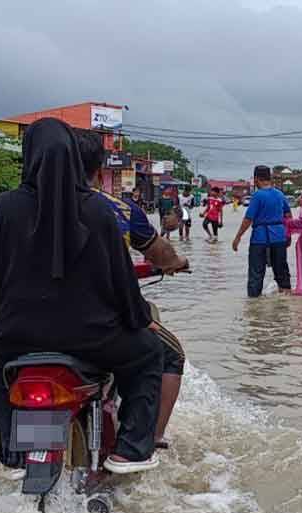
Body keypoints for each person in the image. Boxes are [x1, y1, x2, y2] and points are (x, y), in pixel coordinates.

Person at [0, 118, 162, 474]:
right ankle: (131, 450)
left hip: (16, 343)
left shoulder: (0, 210)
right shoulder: (99, 212)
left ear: (28, 155)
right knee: (149, 354)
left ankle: (12, 450)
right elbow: (124, 290)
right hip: (97, 341)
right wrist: (141, 321)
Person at [75, 130, 189, 451]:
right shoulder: (117, 210)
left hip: (30, 328)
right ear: (100, 172)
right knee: (167, 354)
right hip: (102, 327)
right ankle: (144, 440)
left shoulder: (19, 207)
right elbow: (160, 254)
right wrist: (177, 262)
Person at [232, 165, 292, 298]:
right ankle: (285, 308)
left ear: (256, 179)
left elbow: (248, 219)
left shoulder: (257, 196)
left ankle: (254, 310)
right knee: (282, 274)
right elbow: (288, 216)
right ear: (269, 178)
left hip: (259, 240)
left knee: (256, 276)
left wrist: (237, 237)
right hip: (279, 238)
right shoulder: (280, 194)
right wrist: (288, 235)